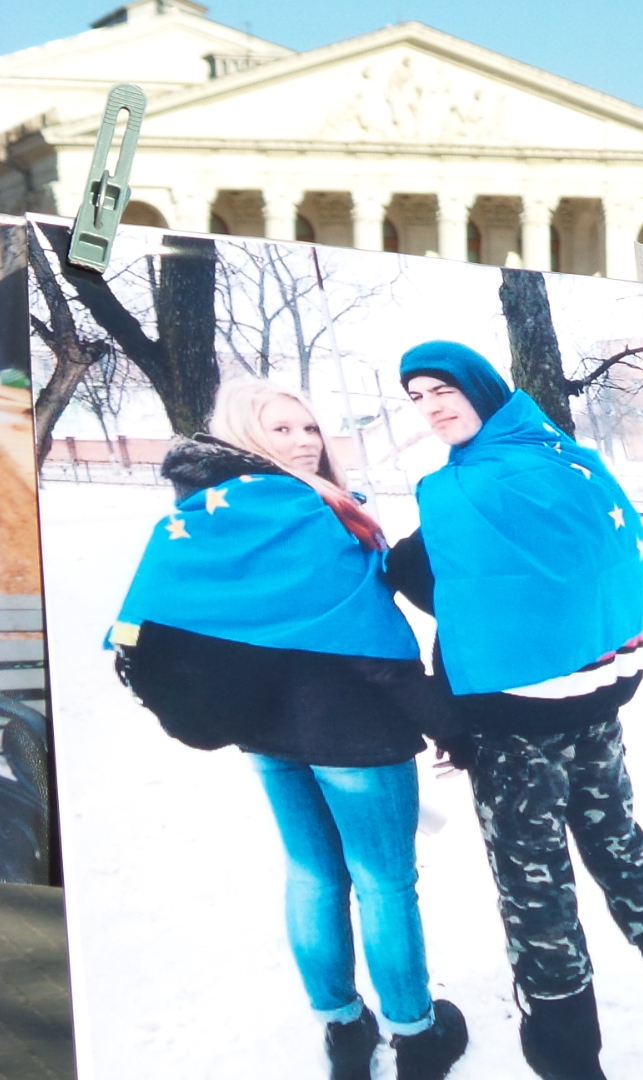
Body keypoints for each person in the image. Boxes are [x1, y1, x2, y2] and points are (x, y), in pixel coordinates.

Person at [382, 342, 643, 1080]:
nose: (431, 408)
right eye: (417, 397)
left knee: (535, 894)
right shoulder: (573, 461)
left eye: (442, 390)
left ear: (480, 389)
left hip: (512, 731)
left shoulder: (463, 488)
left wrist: (489, 616)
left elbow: (411, 571)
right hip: (597, 705)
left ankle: (569, 1060)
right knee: (623, 851)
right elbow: (597, 567)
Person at [112, 379, 467, 1080]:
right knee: (383, 884)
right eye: (282, 430)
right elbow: (374, 651)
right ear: (247, 436)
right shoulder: (308, 514)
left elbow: (159, 617)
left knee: (313, 876)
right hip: (356, 735)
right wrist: (449, 722)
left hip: (267, 731)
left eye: (308, 428)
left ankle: (343, 1028)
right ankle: (416, 1034)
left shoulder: (209, 518)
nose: (304, 442)